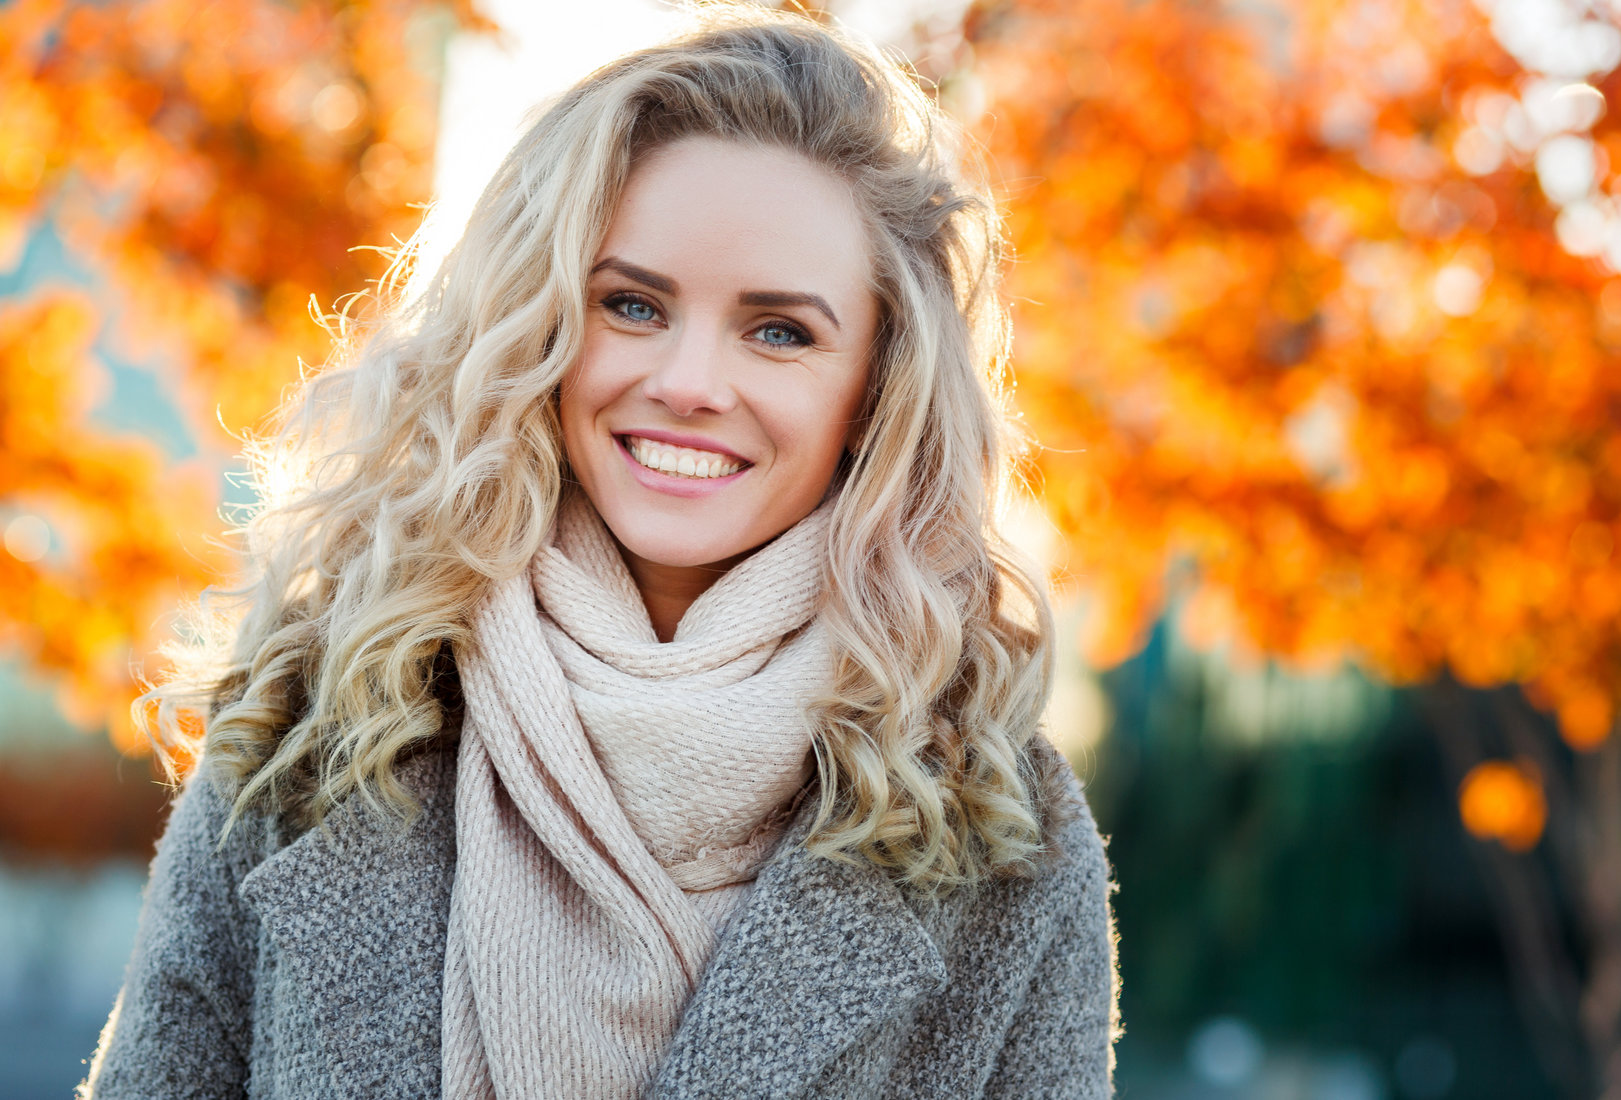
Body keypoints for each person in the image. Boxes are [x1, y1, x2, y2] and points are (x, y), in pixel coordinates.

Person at [81, 7, 1118, 1098]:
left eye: (780, 331)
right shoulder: (318, 720)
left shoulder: (1007, 832)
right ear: (541, 326)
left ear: (875, 386)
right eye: (631, 304)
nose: (687, 381)